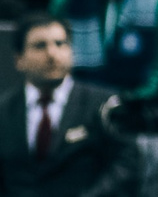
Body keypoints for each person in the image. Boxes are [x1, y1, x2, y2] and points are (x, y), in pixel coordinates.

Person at [4, 15, 140, 197]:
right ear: (19, 59)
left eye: (60, 44)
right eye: (40, 46)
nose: (52, 54)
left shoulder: (105, 105)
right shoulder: (4, 111)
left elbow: (127, 166)